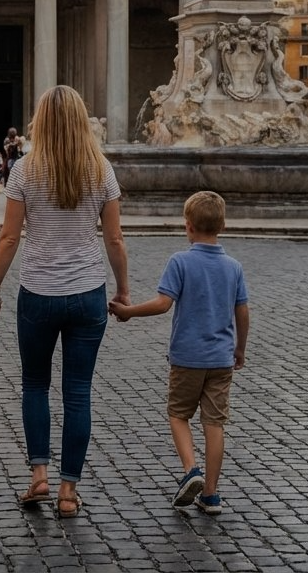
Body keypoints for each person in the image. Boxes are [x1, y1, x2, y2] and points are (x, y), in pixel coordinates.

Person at [0, 85, 128, 519]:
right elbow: (115, 239)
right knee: (78, 392)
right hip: (87, 291)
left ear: (39, 122)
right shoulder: (101, 169)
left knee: (34, 386)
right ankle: (68, 491)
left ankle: (39, 477)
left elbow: (8, 237)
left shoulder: (25, 169)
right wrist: (122, 289)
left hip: (39, 292)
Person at [109, 191, 250, 516]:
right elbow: (242, 312)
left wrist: (129, 312)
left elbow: (162, 304)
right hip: (221, 359)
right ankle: (211, 495)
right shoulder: (234, 267)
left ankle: (191, 470)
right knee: (214, 423)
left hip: (187, 356)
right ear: (223, 226)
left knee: (178, 414)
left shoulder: (180, 261)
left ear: (187, 227)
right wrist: (240, 348)